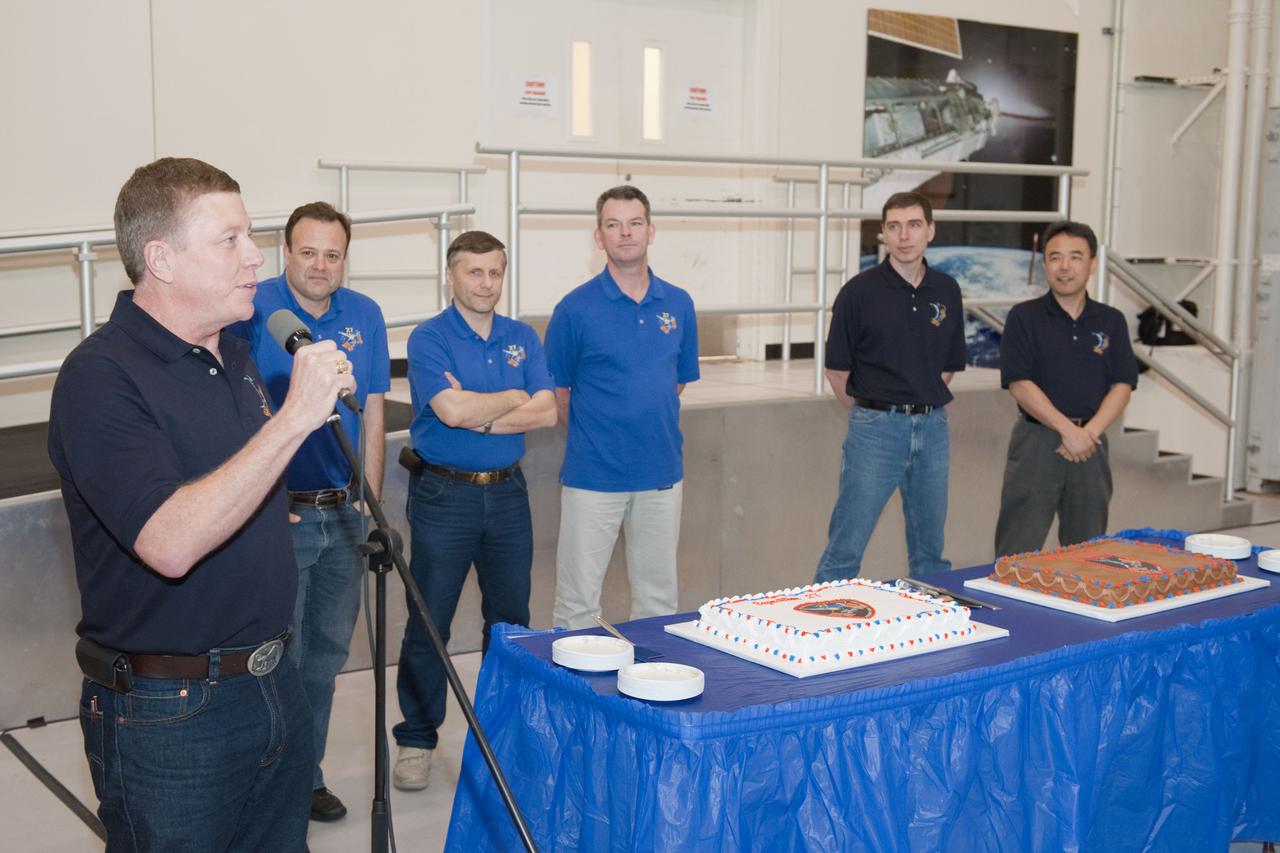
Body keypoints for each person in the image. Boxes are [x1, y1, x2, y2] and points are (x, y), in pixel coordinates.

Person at [47, 157, 357, 851]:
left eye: (251, 237)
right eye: (230, 240)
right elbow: (168, 541)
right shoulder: (100, 377)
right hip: (172, 711)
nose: (255, 258)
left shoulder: (237, 353)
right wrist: (292, 422)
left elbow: (228, 484)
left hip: (273, 684)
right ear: (160, 258)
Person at [229, 201, 389, 821]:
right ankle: (258, 788)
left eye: (333, 254)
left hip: (343, 515)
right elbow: (228, 410)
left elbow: (372, 412)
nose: (320, 265)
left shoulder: (365, 315)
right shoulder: (252, 308)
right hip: (278, 519)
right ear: (285, 251)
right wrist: (257, 505)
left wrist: (369, 502)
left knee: (322, 663)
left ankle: (304, 778)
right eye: (308, 251)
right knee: (272, 662)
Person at [392, 230, 556, 791]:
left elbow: (549, 412)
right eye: (474, 272)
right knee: (429, 620)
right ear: (451, 275)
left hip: (508, 493)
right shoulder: (429, 338)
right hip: (445, 495)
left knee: (511, 622)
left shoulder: (521, 336)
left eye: (495, 273)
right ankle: (416, 739)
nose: (486, 283)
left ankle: (501, 735)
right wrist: (513, 398)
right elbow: (451, 409)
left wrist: (481, 412)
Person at [545, 184, 700, 630]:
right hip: (593, 478)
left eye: (634, 224)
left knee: (657, 602)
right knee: (576, 606)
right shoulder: (574, 310)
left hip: (661, 476)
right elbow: (559, 393)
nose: (625, 233)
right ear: (599, 237)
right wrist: (603, 437)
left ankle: (651, 697)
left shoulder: (679, 304)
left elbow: (675, 383)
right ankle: (573, 701)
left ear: (651, 231)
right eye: (613, 225)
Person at [815, 191, 966, 582]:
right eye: (894, 226)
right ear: (883, 233)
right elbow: (837, 373)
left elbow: (948, 366)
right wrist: (876, 412)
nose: (904, 236)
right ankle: (821, 631)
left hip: (933, 429)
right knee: (845, 550)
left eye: (914, 225)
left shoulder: (947, 291)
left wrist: (917, 401)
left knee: (930, 552)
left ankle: (931, 631)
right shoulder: (858, 292)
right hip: (876, 431)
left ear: (930, 230)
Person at [993, 221, 1138, 556]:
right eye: (1055, 258)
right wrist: (1066, 430)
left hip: (1092, 445)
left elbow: (1123, 384)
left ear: (1092, 264)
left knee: (1087, 552)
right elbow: (1019, 383)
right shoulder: (1023, 317)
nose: (1065, 267)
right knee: (1017, 548)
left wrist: (1088, 433)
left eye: (1076, 257)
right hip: (1037, 444)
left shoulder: (1111, 320)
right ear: (1044, 264)